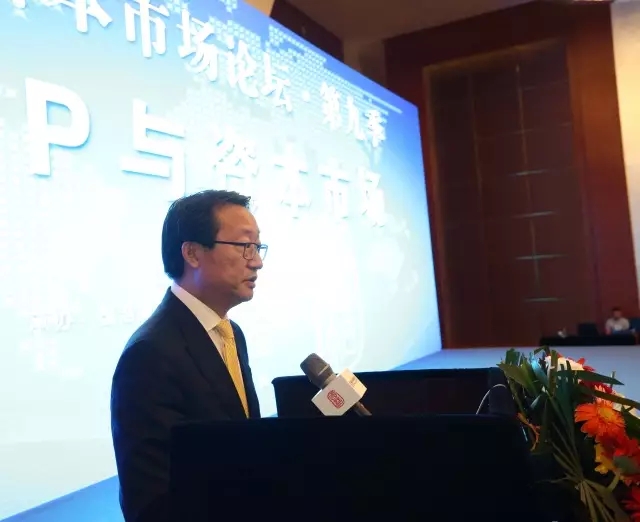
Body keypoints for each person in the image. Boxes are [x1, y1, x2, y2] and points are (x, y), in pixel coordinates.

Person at [110, 190, 265, 522]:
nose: (256, 261)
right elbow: (149, 502)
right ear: (192, 253)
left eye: (257, 247)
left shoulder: (231, 333)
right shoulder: (149, 354)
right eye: (244, 246)